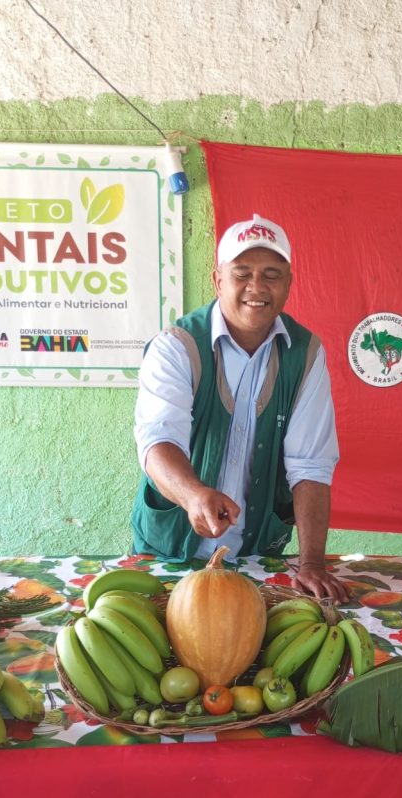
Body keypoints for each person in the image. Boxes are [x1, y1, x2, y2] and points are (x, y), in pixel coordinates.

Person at [132, 213, 348, 602]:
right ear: (218, 280)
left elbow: (311, 464)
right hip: (169, 553)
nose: (256, 287)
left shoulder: (305, 353)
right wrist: (193, 494)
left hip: (256, 557)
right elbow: (157, 441)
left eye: (271, 274)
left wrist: (312, 563)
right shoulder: (176, 347)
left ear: (289, 283)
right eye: (242, 273)